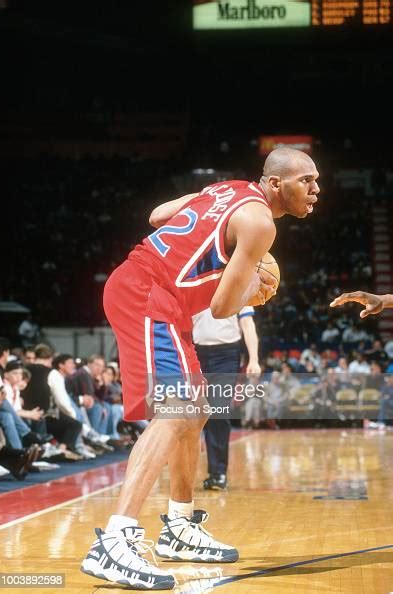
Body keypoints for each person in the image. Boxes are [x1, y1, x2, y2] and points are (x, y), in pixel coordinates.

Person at [81, 147, 320, 589]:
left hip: (160, 300)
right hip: (147, 294)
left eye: (316, 180)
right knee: (174, 413)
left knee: (195, 410)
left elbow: (156, 216)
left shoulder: (224, 191)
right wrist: (253, 287)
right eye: (305, 180)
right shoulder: (260, 222)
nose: (316, 190)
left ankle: (179, 526)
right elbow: (223, 304)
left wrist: (210, 217)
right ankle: (115, 541)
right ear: (274, 183)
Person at [192, 306, 261, 491]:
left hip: (226, 354)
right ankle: (185, 473)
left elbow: (247, 323)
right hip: (195, 352)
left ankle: (217, 474)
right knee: (191, 415)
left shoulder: (238, 284)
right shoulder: (190, 281)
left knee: (218, 413)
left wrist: (253, 359)